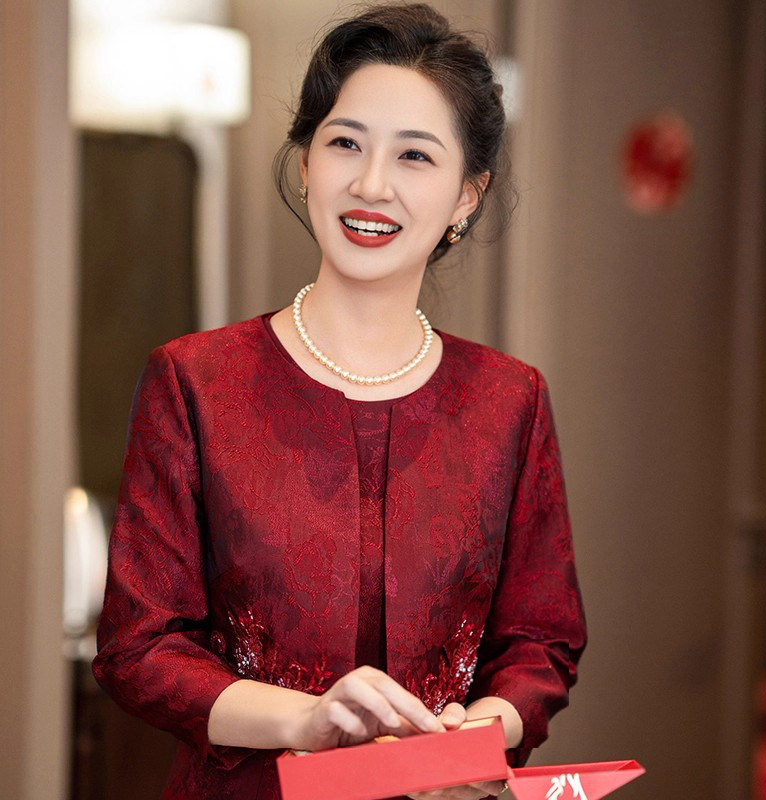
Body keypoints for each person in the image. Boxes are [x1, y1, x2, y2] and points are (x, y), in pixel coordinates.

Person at [92, 3, 588, 799]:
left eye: (415, 155)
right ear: (305, 163)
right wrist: (306, 721)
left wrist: (480, 732)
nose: (371, 184)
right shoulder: (195, 383)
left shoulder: (510, 401)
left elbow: (541, 642)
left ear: (468, 195)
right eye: (345, 143)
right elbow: (138, 647)